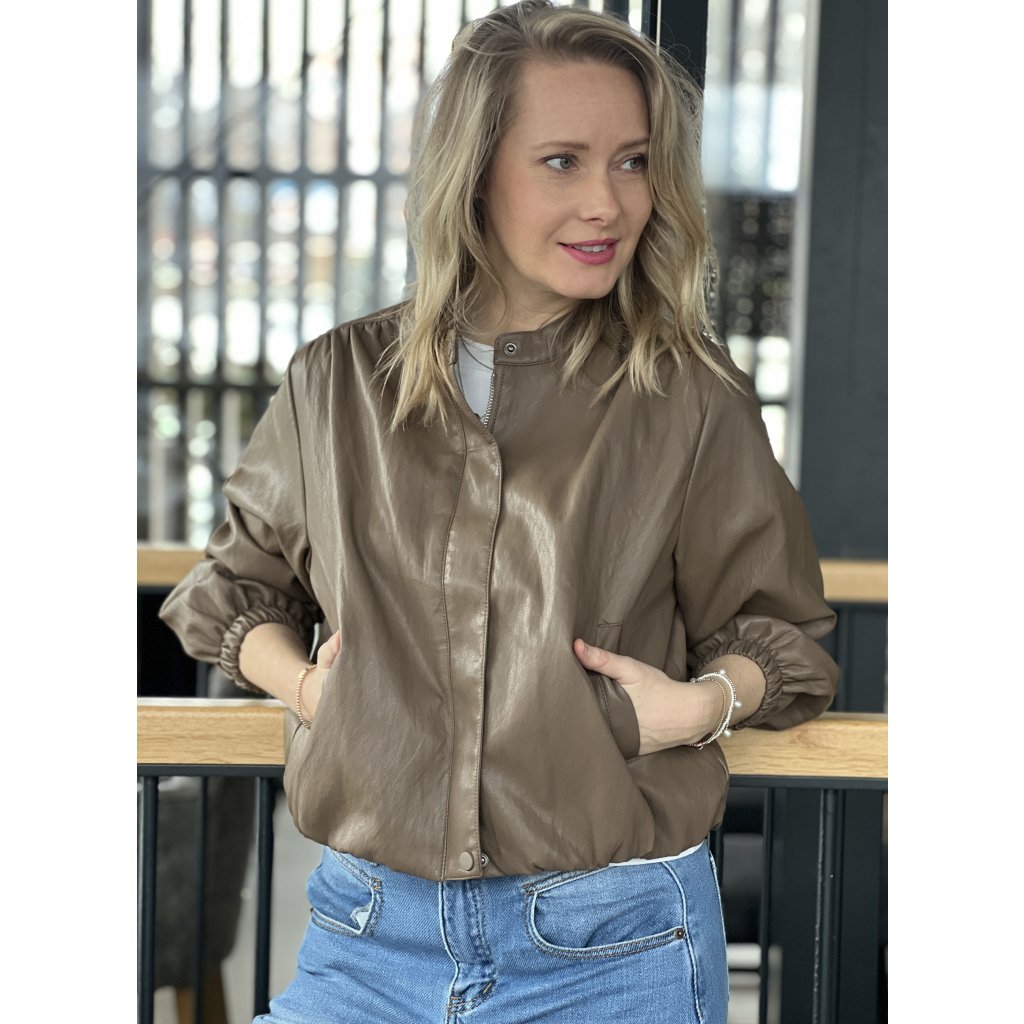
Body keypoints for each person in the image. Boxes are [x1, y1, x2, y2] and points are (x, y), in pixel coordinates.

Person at [159, 2, 839, 1021]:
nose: (608, 203)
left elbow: (780, 632)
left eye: (633, 162)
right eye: (562, 161)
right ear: (474, 173)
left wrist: (701, 706)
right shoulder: (337, 383)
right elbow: (230, 591)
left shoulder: (690, 397)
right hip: (364, 935)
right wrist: (308, 689)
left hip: (617, 940)